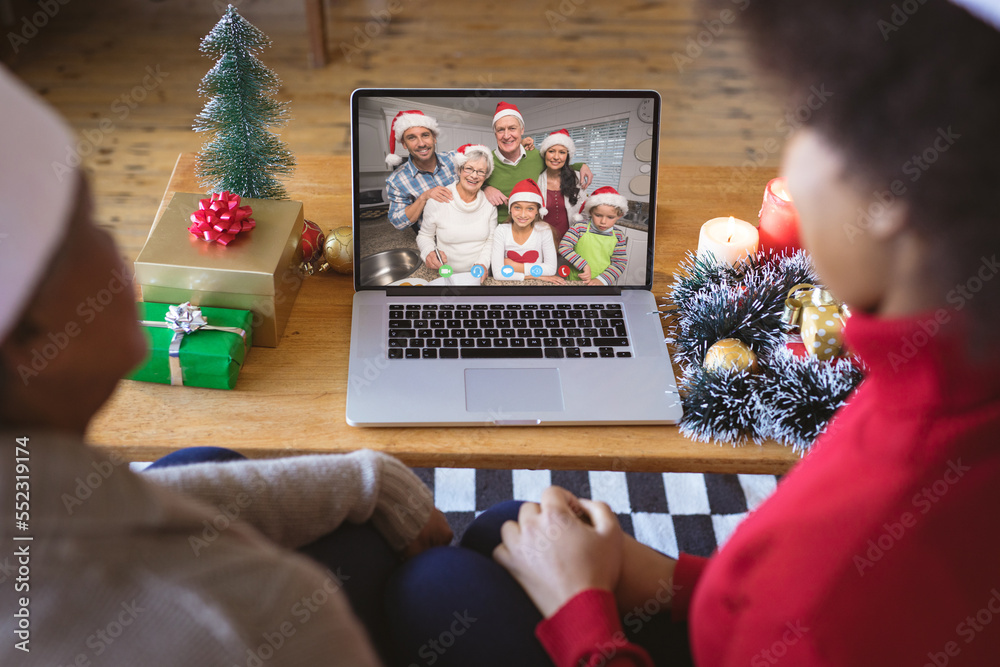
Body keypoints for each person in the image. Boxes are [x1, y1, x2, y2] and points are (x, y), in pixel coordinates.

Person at [386, 0, 1000, 665]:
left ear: (894, 196)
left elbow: (796, 609)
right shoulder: (950, 381)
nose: (790, 166)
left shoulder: (838, 576)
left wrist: (582, 610)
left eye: (810, 122)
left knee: (430, 586)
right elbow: (765, 599)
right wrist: (651, 573)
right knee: (506, 525)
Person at [0, 65, 452, 665]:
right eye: (87, 229)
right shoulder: (249, 621)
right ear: (27, 338)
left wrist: (366, 477)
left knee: (199, 460)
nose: (120, 249)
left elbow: (109, 506)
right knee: (450, 578)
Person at [483, 102, 593, 223]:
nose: (507, 135)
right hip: (499, 231)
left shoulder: (535, 156)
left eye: (512, 128)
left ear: (522, 130)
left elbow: (556, 164)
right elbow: (468, 182)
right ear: (495, 134)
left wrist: (582, 165)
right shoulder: (486, 161)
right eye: (500, 130)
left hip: (531, 229)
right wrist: (485, 188)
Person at [417, 144, 498, 282]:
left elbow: (491, 241)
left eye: (480, 171)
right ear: (459, 170)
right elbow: (424, 236)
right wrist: (428, 253)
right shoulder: (438, 200)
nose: (474, 175)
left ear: (486, 176)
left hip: (479, 275)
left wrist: (483, 263)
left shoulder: (489, 204)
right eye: (469, 169)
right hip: (446, 274)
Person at [384, 109, 458, 230]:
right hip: (434, 238)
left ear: (434, 138)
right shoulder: (396, 181)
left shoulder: (455, 159)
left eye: (425, 135)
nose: (421, 144)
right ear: (404, 144)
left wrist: (487, 187)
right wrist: (424, 197)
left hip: (469, 228)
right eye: (412, 138)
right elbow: (397, 222)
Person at [490, 179, 562, 283]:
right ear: (510, 209)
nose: (523, 215)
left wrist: (514, 266)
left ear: (537, 211)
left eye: (530, 209)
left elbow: (550, 269)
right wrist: (536, 276)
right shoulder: (501, 231)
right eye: (517, 207)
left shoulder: (544, 230)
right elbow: (497, 274)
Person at [560, 187, 629, 286]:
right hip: (575, 281)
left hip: (601, 284)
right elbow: (564, 247)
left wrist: (602, 280)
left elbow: (619, 263)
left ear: (619, 216)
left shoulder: (618, 236)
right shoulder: (579, 228)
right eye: (598, 215)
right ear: (591, 212)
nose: (603, 222)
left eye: (610, 217)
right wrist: (584, 265)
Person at [537, 128, 586, 247]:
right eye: (551, 151)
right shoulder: (537, 180)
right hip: (541, 241)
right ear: (545, 154)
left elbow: (584, 210)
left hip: (570, 242)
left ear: (567, 156)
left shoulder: (577, 179)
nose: (556, 157)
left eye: (562, 152)